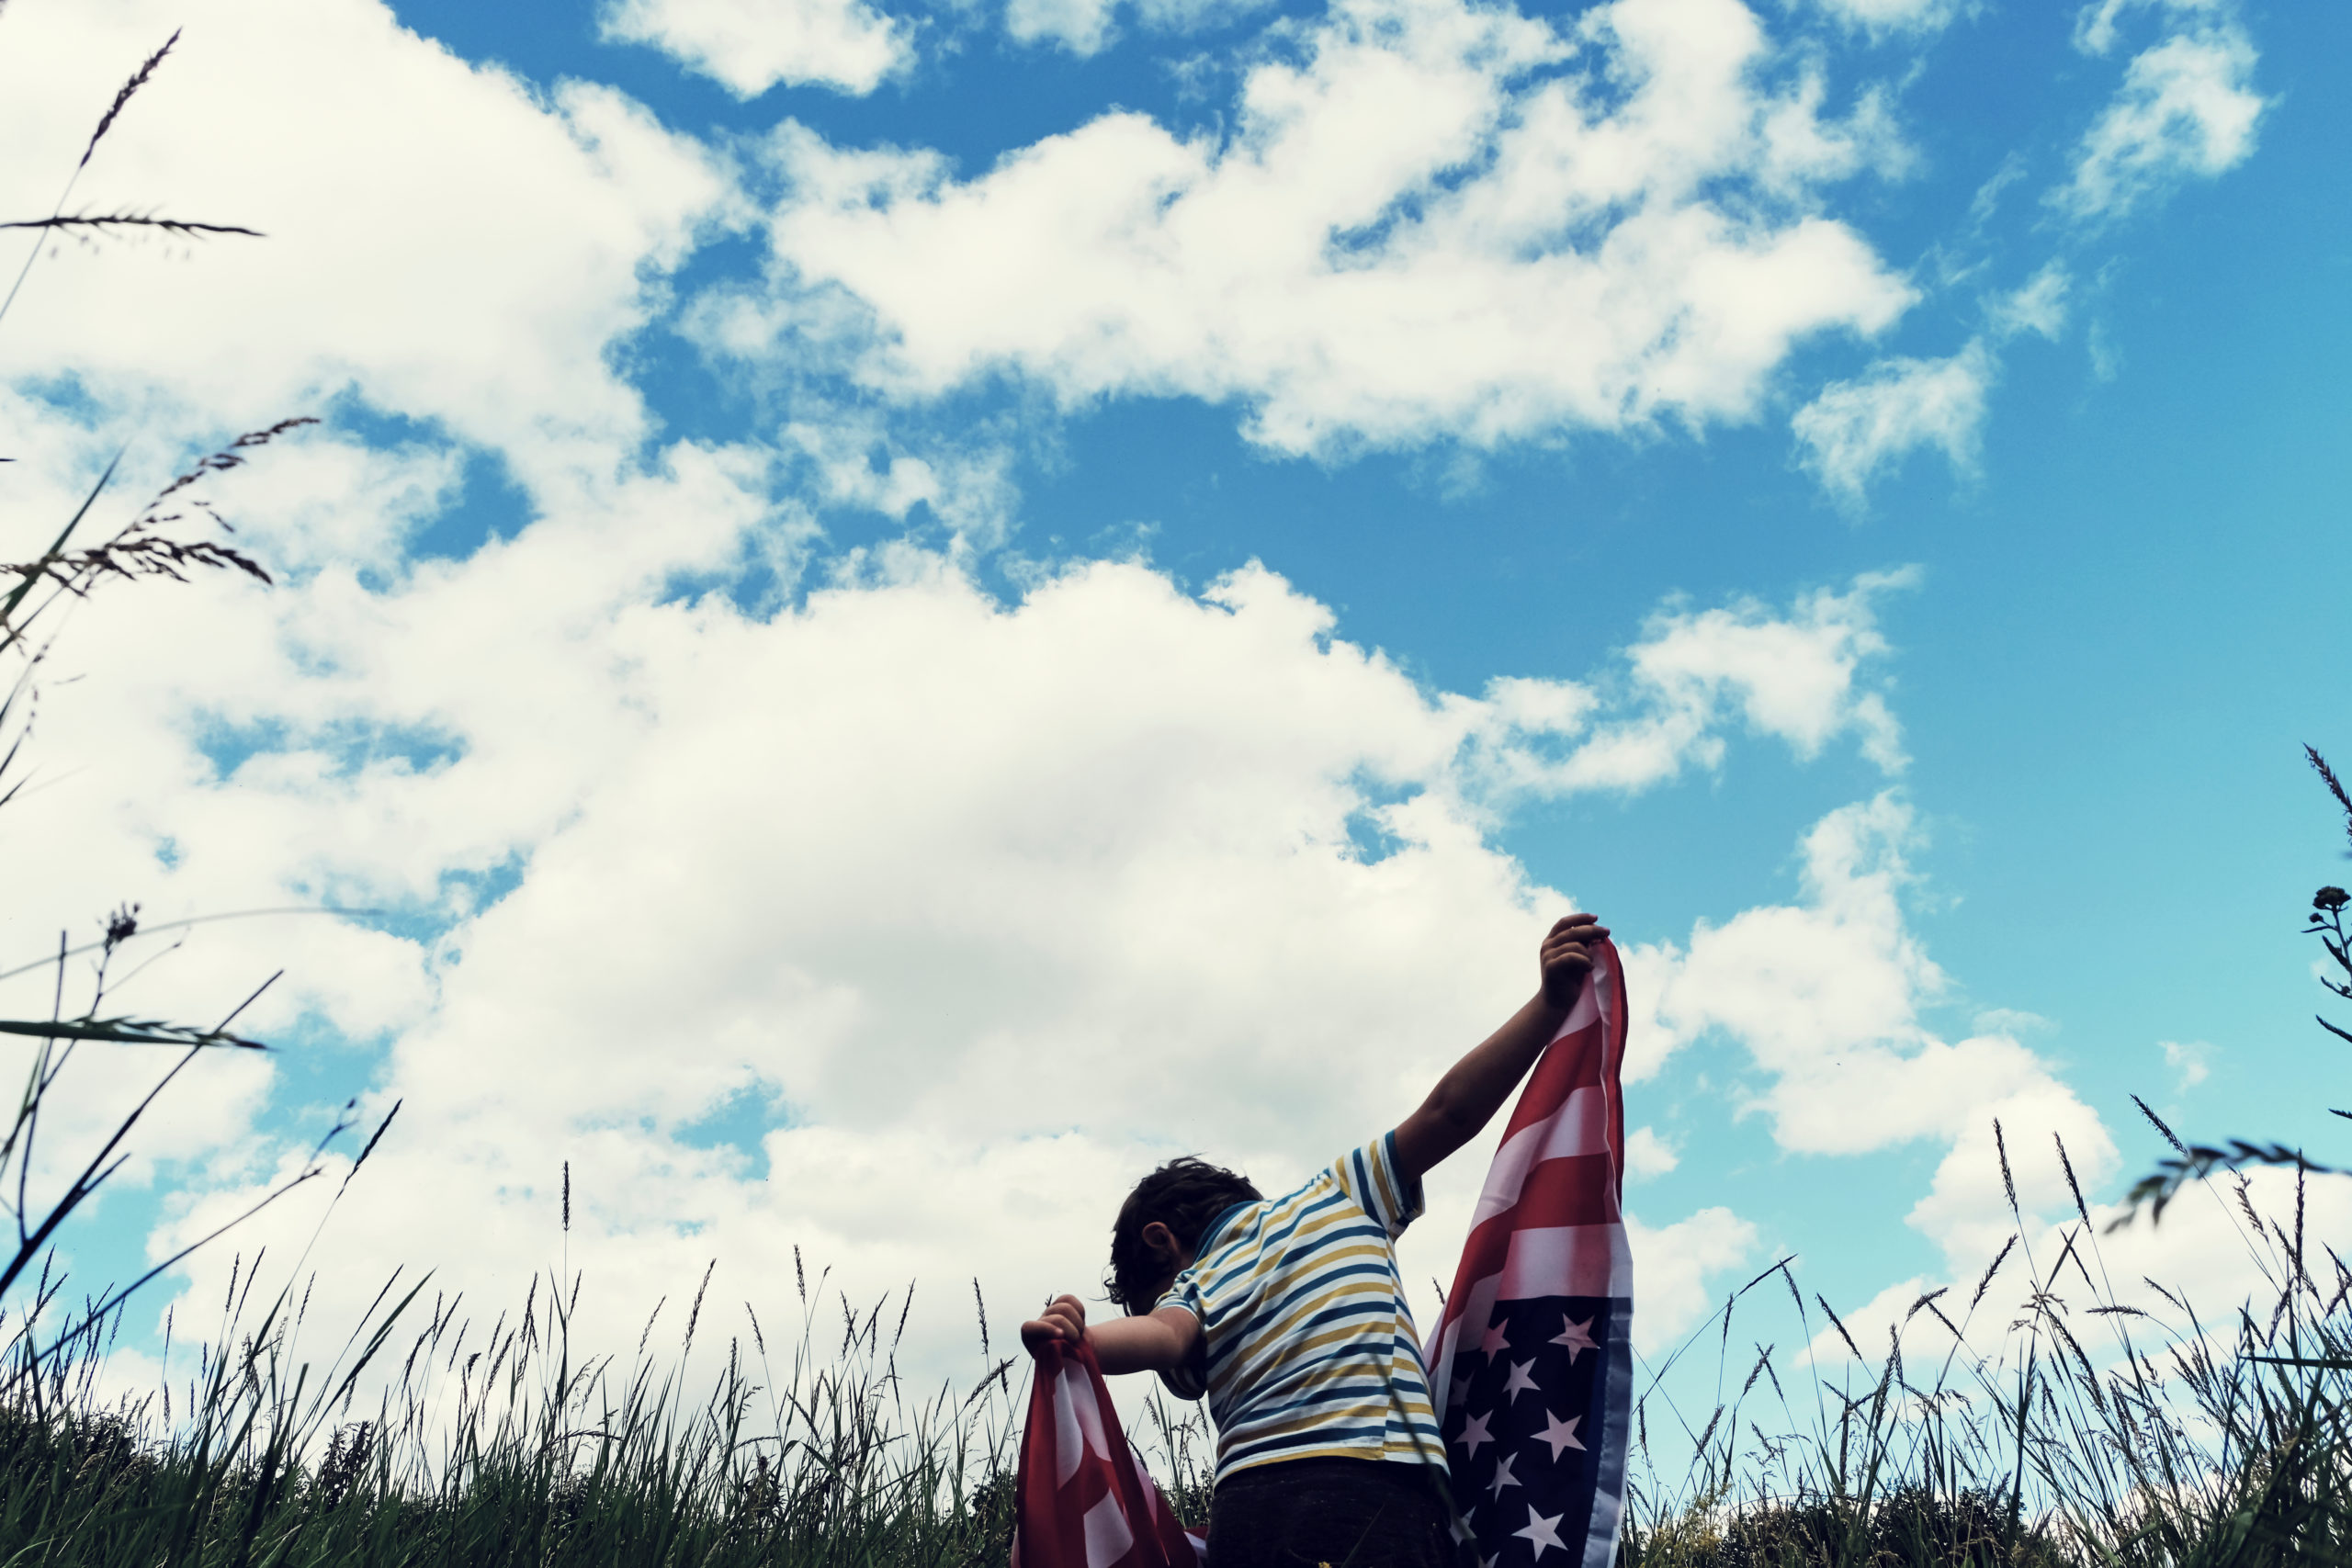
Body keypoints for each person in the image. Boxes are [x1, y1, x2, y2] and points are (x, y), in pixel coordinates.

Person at [1020, 913, 1611, 1568]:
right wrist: (1549, 1004)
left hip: (1249, 1508)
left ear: (1163, 1241)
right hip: (1372, 1491)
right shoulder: (1341, 1191)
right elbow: (1451, 1111)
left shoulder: (1199, 1279)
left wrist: (1084, 1342)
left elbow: (1166, 1335)